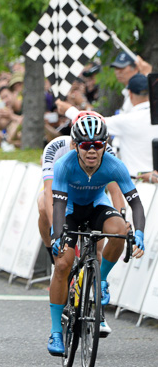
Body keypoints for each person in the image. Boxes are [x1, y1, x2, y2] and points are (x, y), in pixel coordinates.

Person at [47, 115, 145, 354]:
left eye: (98, 145)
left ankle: (100, 279)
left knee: (121, 230)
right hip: (69, 210)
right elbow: (58, 205)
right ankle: (55, 332)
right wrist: (58, 235)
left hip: (96, 207)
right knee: (62, 265)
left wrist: (140, 232)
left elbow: (137, 205)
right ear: (76, 145)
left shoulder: (114, 165)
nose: (92, 151)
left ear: (105, 144)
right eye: (85, 145)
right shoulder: (64, 165)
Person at [37, 112, 123, 252]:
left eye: (96, 142)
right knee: (43, 206)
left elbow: (115, 190)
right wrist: (55, 232)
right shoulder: (57, 146)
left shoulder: (105, 151)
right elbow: (48, 190)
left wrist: (121, 219)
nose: (91, 147)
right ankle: (51, 251)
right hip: (60, 190)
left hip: (90, 194)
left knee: (98, 249)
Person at [58, 73, 158, 180]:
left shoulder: (127, 120)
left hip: (134, 182)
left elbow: (92, 123)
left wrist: (68, 109)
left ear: (130, 94)